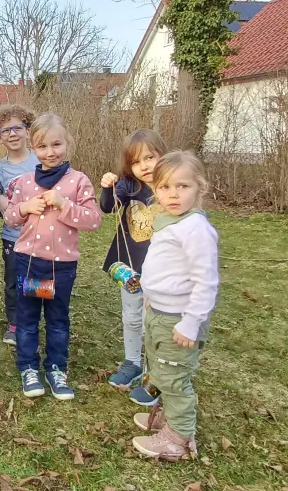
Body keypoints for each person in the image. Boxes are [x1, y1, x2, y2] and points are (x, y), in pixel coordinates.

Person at [3, 113, 102, 400]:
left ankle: (56, 369)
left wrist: (64, 204)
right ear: (33, 148)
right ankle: (28, 368)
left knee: (58, 320)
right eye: (42, 147)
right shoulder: (24, 182)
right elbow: (9, 217)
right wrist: (24, 208)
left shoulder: (79, 181)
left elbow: (93, 220)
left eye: (56, 144)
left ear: (67, 143)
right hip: (28, 262)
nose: (50, 152)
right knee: (28, 317)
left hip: (62, 267)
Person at [131, 150, 219, 462]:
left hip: (179, 321)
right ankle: (170, 419)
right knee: (161, 371)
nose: (173, 194)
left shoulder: (195, 229)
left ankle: (179, 439)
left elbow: (206, 281)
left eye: (182, 186)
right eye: (165, 187)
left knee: (174, 377)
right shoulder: (169, 221)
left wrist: (191, 322)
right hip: (160, 311)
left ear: (200, 188)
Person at [99, 129, 169, 404]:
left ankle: (156, 375)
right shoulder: (129, 186)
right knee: (131, 316)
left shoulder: (171, 188)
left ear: (163, 155)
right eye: (138, 162)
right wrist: (107, 186)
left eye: (150, 157)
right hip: (131, 266)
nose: (145, 166)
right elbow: (107, 207)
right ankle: (131, 363)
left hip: (164, 271)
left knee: (155, 323)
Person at [0, 104, 40, 346]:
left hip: (41, 236)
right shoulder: (0, 167)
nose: (12, 133)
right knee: (13, 280)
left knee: (37, 279)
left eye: (17, 127)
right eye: (5, 130)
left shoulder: (40, 160)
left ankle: (34, 319)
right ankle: (14, 322)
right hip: (12, 235)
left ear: (28, 130)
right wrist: (1, 201)